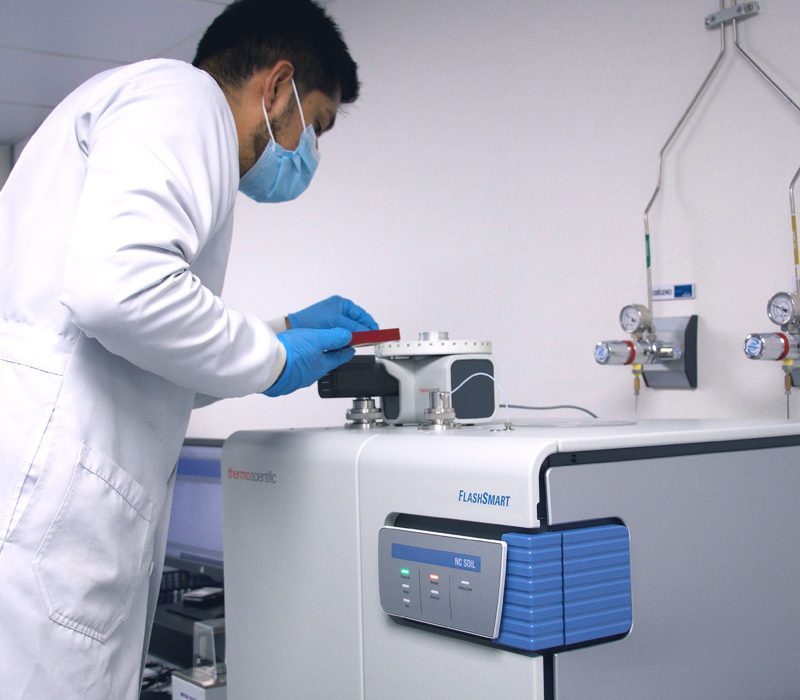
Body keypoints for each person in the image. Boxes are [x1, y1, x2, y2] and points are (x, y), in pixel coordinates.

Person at [0, 1, 375, 697]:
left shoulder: (150, 112)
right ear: (277, 86)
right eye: (315, 125)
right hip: (51, 510)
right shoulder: (186, 98)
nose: (308, 154)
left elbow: (141, 353)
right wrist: (272, 357)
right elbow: (119, 293)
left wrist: (279, 331)